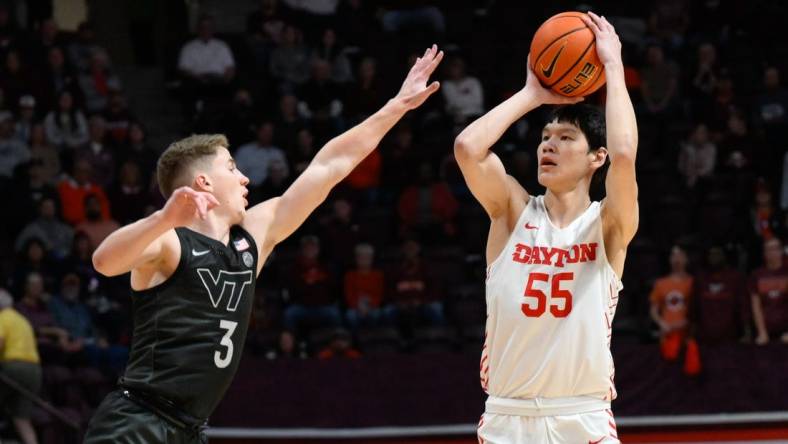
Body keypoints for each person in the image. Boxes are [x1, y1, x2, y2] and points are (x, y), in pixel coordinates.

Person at [82, 45, 443, 443]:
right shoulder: (169, 242)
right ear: (203, 182)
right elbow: (104, 261)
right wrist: (163, 218)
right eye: (232, 168)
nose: (244, 179)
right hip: (137, 422)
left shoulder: (254, 235)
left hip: (188, 430)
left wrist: (395, 106)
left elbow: (328, 167)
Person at [456, 14, 637, 443]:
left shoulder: (608, 223)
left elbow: (626, 154)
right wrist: (531, 95)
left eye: (566, 138)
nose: (548, 145)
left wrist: (612, 67)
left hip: (582, 418)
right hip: (507, 417)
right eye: (544, 136)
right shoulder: (513, 211)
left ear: (597, 157)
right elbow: (468, 147)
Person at [0, 287, 42, 444]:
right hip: (34, 371)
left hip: (13, 367)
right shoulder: (22, 320)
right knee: (22, 417)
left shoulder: (2, 318)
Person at [649, 245, 694, 361]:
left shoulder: (693, 283)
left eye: (680, 255)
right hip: (667, 337)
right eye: (673, 255)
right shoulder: (661, 283)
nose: (677, 259)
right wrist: (662, 323)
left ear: (686, 259)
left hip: (688, 337)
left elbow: (697, 309)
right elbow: (654, 309)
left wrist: (685, 322)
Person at [749, 237, 788, 345]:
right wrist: (762, 332)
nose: (773, 252)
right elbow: (756, 305)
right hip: (765, 333)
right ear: (764, 253)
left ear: (781, 251)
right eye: (769, 249)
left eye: (776, 248)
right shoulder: (756, 275)